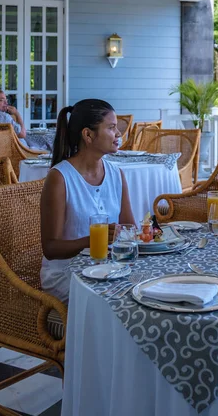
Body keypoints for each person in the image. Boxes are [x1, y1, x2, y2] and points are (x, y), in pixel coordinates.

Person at [40, 99, 135, 302]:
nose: (118, 134)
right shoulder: (59, 178)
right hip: (66, 275)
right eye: (111, 128)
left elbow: (129, 227)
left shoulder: (117, 174)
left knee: (142, 291)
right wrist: (91, 241)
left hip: (107, 269)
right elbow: (50, 248)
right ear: (88, 135)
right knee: (116, 300)